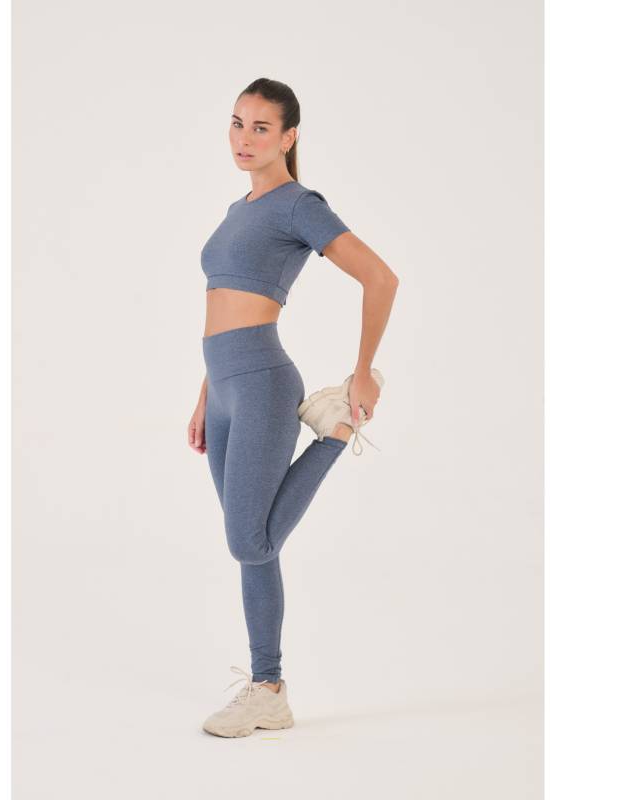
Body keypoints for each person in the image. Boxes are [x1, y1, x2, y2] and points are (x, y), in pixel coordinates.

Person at [187, 78, 400, 737]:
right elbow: (219, 303)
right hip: (224, 388)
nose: (244, 138)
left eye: (261, 128)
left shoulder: (298, 205)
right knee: (254, 550)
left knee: (247, 538)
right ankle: (268, 688)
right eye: (237, 123)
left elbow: (380, 277)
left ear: (289, 137)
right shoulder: (237, 208)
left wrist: (361, 373)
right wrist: (204, 393)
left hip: (262, 382)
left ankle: (335, 431)